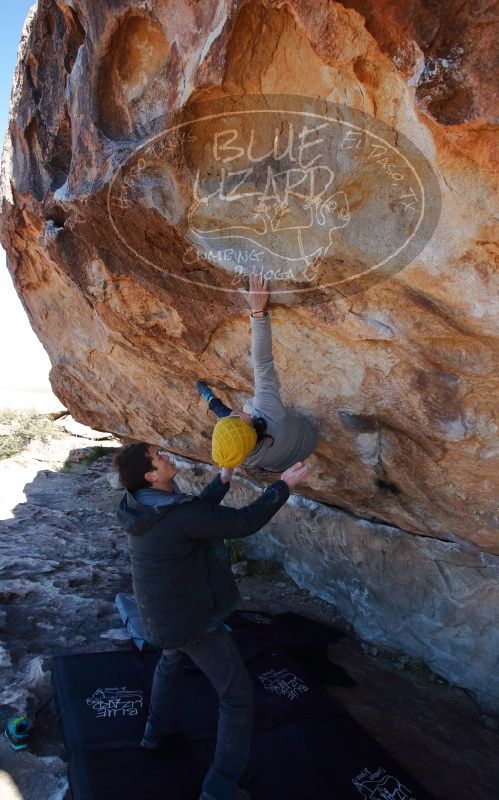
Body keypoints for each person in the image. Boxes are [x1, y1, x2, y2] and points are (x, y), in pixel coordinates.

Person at [114, 442, 309, 800]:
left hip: (160, 616)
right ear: (151, 476)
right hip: (191, 621)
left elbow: (193, 515)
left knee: (170, 663)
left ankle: (153, 734)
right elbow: (244, 522)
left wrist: (223, 479)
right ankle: (218, 790)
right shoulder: (173, 513)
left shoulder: (139, 504)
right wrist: (282, 486)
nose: (167, 456)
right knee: (236, 698)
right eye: (160, 457)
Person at [197, 273, 319, 473]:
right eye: (235, 418)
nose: (234, 413)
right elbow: (262, 362)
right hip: (307, 436)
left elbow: (228, 418)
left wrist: (209, 397)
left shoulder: (241, 456)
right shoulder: (268, 411)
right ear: (250, 429)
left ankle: (209, 398)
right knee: (249, 405)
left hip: (281, 462)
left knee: (239, 413)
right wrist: (257, 310)